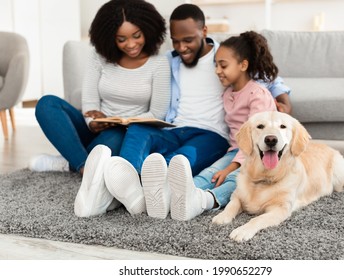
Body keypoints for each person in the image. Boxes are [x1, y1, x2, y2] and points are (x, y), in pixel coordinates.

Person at [76, 4, 291, 219]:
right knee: (138, 129)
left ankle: (126, 192)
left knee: (175, 162)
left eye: (188, 40)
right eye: (176, 41)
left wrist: (282, 98)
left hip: (210, 135)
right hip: (173, 129)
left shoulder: (225, 57)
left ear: (204, 32)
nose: (181, 47)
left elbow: (262, 74)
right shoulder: (170, 61)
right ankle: (123, 183)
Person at [28, 0, 170, 177]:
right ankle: (85, 167)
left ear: (148, 30)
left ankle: (70, 161)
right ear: (110, 37)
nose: (131, 44)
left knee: (115, 141)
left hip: (127, 133)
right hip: (96, 129)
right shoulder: (100, 57)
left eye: (137, 35)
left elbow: (157, 114)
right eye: (121, 39)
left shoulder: (159, 63)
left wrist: (123, 121)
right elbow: (90, 102)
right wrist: (93, 123)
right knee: (46, 104)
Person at [166, 31, 278, 221]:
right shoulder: (228, 93)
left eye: (223, 65)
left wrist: (230, 168)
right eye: (216, 65)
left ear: (243, 65)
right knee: (209, 174)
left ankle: (205, 200)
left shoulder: (257, 95)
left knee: (236, 179)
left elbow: (255, 138)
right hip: (235, 151)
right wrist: (228, 164)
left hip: (260, 154)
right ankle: (170, 196)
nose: (217, 70)